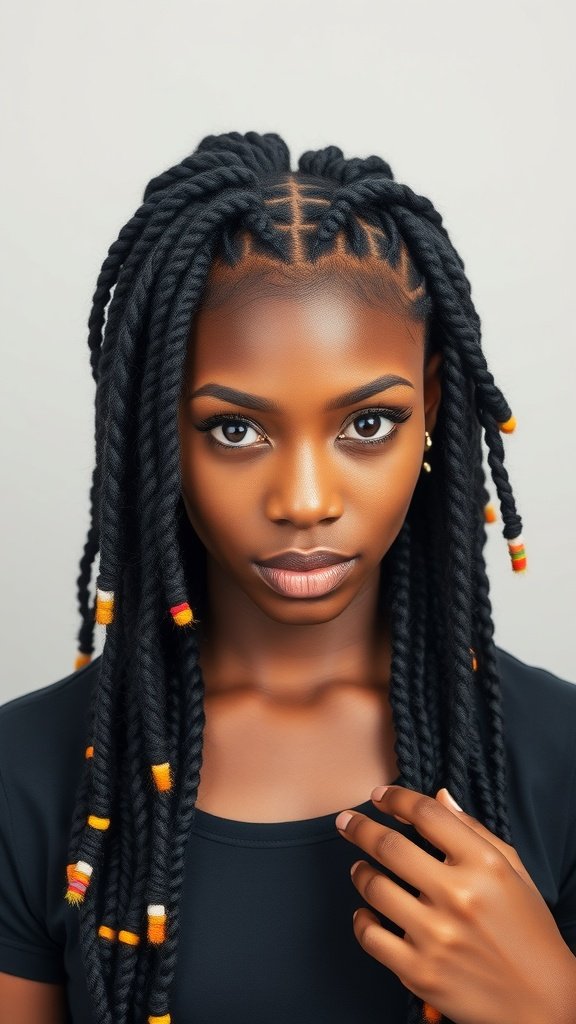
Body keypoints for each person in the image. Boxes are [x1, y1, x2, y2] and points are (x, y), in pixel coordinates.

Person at [1, 130, 575, 1024]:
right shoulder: (28, 776)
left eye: (369, 424)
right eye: (236, 430)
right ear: (159, 437)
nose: (305, 500)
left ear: (431, 407)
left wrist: (551, 1003)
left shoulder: (561, 759)